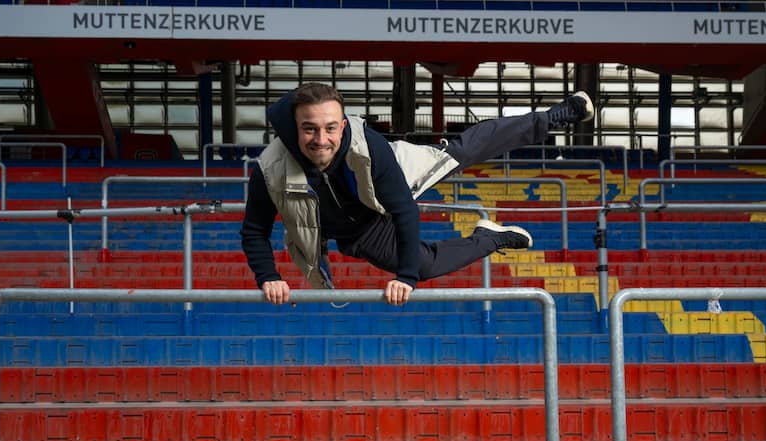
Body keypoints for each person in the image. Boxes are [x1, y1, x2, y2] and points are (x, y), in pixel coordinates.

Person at [241, 82, 594, 306]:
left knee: (461, 151)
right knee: (423, 266)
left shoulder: (369, 147)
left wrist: (404, 278)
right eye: (309, 129)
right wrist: (268, 276)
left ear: (343, 125)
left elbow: (405, 210)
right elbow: (255, 230)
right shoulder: (270, 168)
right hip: (360, 231)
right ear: (294, 128)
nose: (321, 139)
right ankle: (489, 238)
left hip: (394, 175)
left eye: (330, 128)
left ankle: (553, 117)